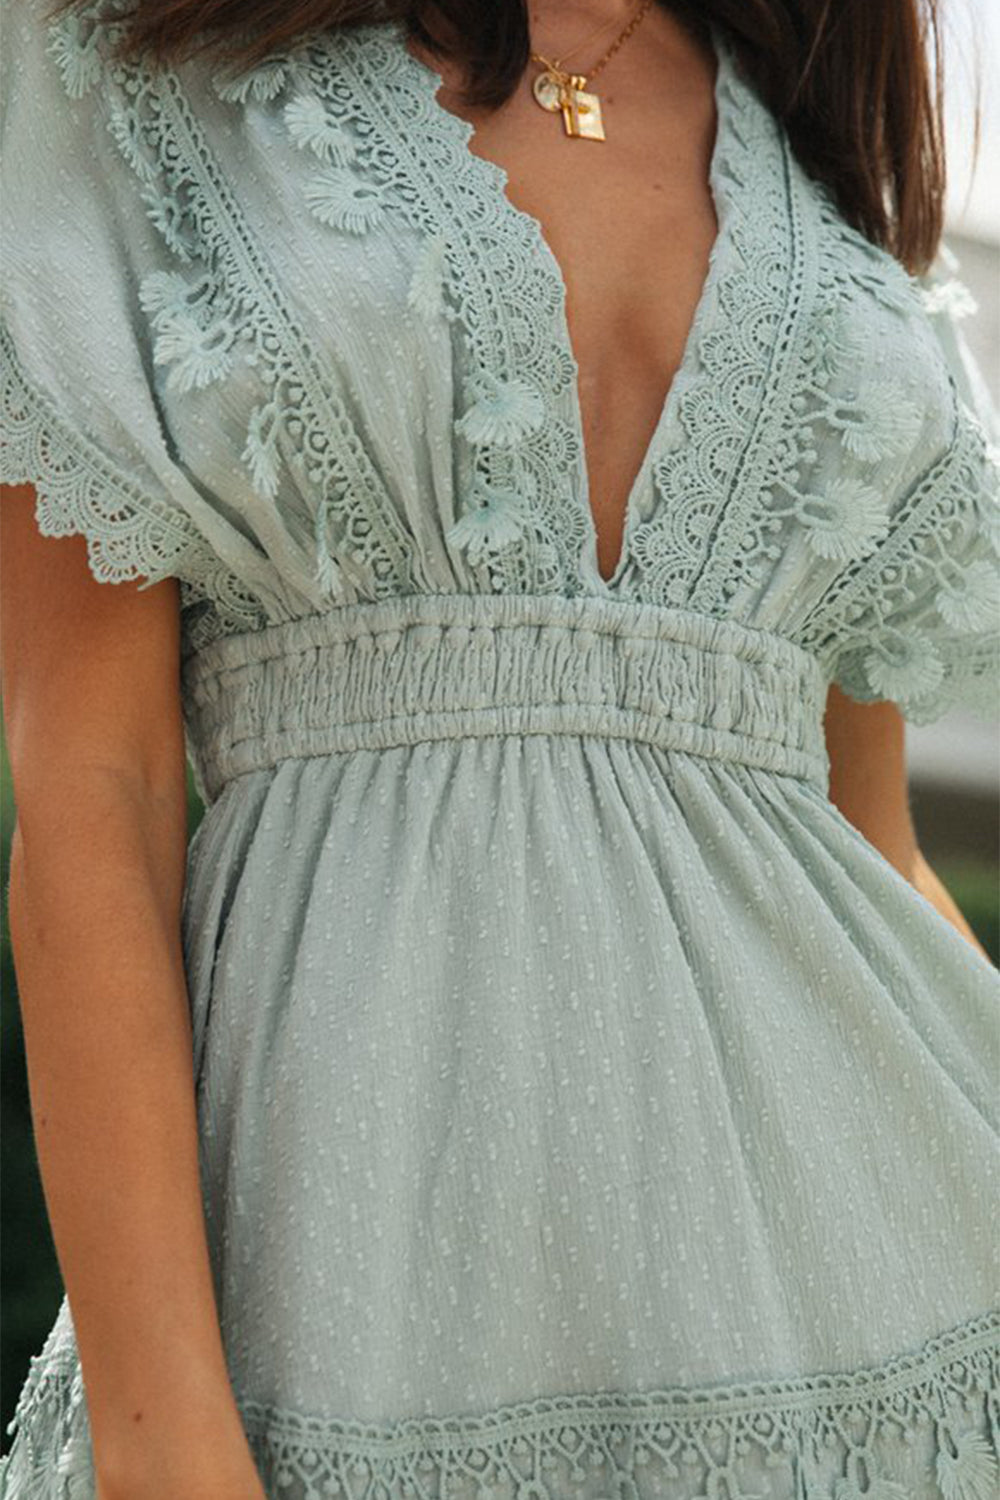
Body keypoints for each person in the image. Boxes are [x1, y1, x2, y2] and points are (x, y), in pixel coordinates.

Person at [1, 0, 998, 1496]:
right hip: (353, 1318)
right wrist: (161, 1439)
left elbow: (863, 832)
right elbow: (96, 789)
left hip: (889, 1287)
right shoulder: (123, 59)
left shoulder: (814, 97)